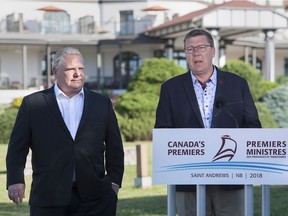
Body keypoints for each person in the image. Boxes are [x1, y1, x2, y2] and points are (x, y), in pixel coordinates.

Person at [154, 29, 261, 216]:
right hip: (188, 180)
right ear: (185, 54)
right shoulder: (170, 89)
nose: (196, 53)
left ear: (213, 51)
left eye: (202, 47)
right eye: (190, 49)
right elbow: (163, 131)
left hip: (231, 178)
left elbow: (252, 125)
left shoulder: (237, 85)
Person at [6, 47, 124, 216]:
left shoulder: (101, 103)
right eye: (71, 69)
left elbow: (115, 148)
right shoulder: (33, 104)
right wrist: (15, 180)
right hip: (48, 198)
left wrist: (114, 183)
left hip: (96, 199)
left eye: (81, 68)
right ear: (56, 71)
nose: (77, 73)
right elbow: (17, 148)